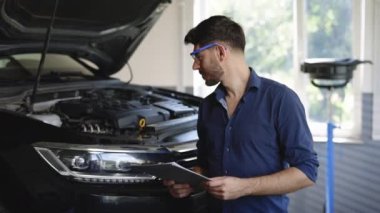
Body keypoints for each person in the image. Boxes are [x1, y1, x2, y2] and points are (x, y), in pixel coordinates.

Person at [163, 15, 319, 212]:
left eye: (198, 57)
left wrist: (245, 187)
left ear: (220, 52)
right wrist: (188, 180)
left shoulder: (281, 100)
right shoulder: (208, 107)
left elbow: (307, 171)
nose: (195, 66)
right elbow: (206, 166)